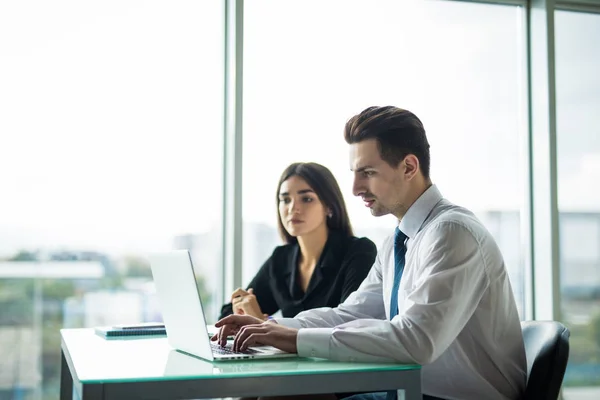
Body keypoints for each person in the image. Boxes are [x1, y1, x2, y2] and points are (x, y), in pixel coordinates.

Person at [214, 106, 527, 400]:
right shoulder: (398, 241)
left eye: (367, 173)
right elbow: (351, 314)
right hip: (409, 392)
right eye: (354, 172)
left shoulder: (452, 233)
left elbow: (416, 341)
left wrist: (292, 339)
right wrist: (276, 328)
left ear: (408, 167)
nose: (354, 187)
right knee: (280, 395)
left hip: (454, 398)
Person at [218, 162, 377, 322]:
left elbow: (349, 326)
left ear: (329, 206)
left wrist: (263, 323)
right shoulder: (281, 259)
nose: (293, 208)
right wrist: (246, 308)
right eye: (285, 200)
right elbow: (227, 315)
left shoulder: (359, 252)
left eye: (306, 199)